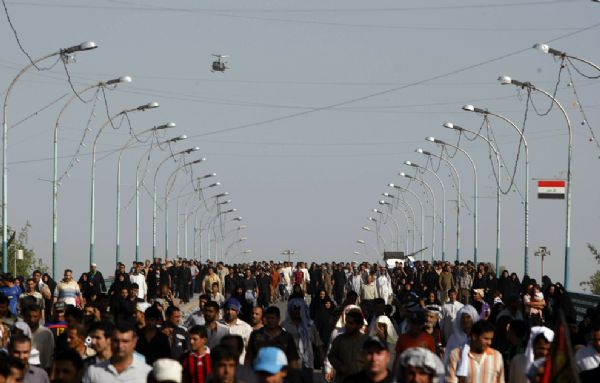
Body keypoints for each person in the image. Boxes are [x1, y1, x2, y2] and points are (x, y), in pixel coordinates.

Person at [83, 322, 152, 383]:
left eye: (125, 341)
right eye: (116, 341)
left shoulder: (147, 372)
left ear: (134, 342)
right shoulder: (93, 370)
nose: (120, 346)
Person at [328, 310, 370, 382]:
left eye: (351, 323)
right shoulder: (339, 340)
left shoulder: (367, 341)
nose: (347, 325)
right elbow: (331, 356)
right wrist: (340, 366)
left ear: (359, 325)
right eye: (346, 322)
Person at [220, 298, 252, 364]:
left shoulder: (246, 327)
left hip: (239, 365)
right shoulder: (217, 325)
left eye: (233, 309)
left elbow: (250, 349)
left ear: (238, 311)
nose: (229, 312)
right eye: (228, 309)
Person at [22, 304, 53, 371]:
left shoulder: (47, 333)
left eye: (35, 316)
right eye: (29, 316)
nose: (31, 319)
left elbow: (49, 356)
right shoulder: (20, 332)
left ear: (40, 317)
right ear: (24, 317)